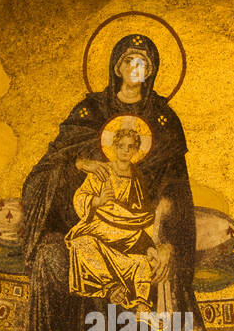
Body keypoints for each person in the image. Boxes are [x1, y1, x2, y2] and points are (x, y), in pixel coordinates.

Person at [19, 33, 204, 331]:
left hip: (144, 234)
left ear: (153, 71)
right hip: (91, 229)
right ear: (117, 67)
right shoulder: (90, 112)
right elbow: (47, 173)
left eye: (145, 62)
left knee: (159, 293)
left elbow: (176, 194)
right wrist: (84, 163)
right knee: (58, 265)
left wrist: (170, 245)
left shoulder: (163, 122)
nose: (136, 68)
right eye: (129, 60)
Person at [67, 120, 172, 320]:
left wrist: (150, 241)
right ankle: (112, 286)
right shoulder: (102, 171)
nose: (125, 150)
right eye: (121, 146)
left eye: (130, 147)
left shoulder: (137, 176)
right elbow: (80, 197)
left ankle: (141, 305)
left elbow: (142, 213)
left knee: (142, 261)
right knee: (82, 244)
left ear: (136, 150)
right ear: (114, 147)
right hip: (100, 226)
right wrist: (97, 201)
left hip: (128, 231)